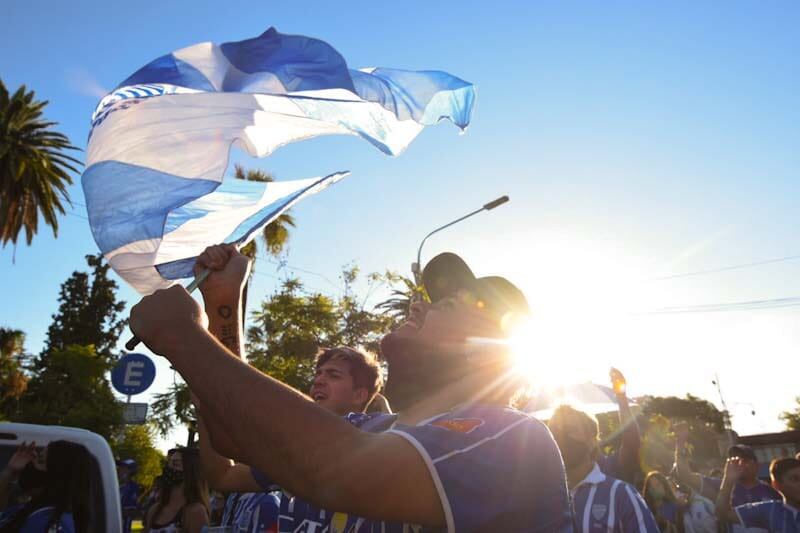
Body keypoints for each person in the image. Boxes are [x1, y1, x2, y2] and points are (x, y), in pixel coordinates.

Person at [130, 246, 573, 531]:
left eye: (448, 304)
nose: (419, 304)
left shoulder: (514, 442)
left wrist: (186, 339)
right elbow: (228, 459)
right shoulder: (366, 430)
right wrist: (223, 309)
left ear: (484, 353)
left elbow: (330, 471)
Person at [549, 405, 659, 532]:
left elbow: (631, 444)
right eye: (554, 432)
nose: (562, 437)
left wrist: (621, 396)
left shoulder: (622, 495)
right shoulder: (542, 500)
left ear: (591, 440)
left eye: (570, 429)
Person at [673, 424, 780, 532]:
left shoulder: (771, 492)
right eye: (734, 460)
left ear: (757, 466)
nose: (739, 464)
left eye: (745, 460)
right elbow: (685, 475)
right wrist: (680, 442)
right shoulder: (721, 487)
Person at [0, 440, 92, 533]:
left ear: (57, 476)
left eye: (40, 461)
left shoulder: (52, 524)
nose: (29, 463)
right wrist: (9, 472)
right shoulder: (31, 510)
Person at [715, 457, 800, 532]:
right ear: (777, 485)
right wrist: (729, 480)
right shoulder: (771, 510)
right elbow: (723, 513)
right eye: (795, 479)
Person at [143, 447, 209, 533]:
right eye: (169, 463)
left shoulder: (195, 511)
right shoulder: (155, 510)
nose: (169, 468)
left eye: (175, 464)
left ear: (190, 471)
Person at [598, 368, 642, 484]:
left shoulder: (609, 465)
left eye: (573, 430)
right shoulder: (562, 476)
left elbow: (632, 442)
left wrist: (621, 397)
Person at [117, 458, 141, 533]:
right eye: (120, 467)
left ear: (130, 471)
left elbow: (131, 511)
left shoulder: (132, 487)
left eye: (123, 467)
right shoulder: (119, 486)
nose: (119, 469)